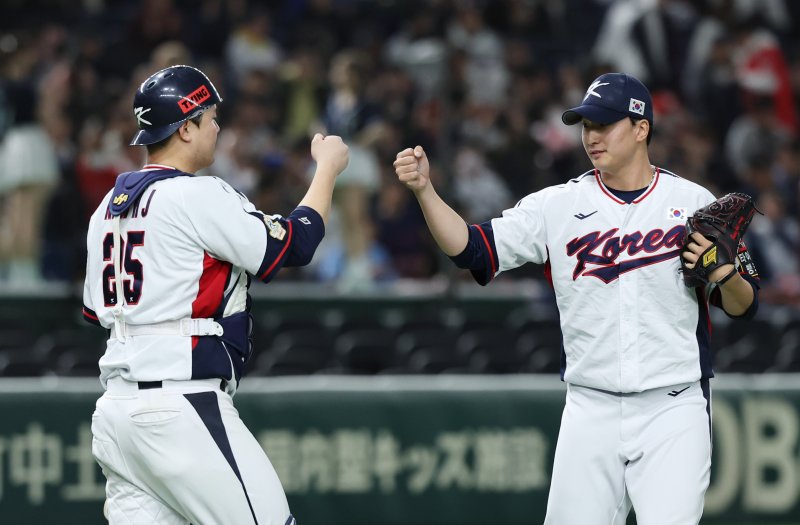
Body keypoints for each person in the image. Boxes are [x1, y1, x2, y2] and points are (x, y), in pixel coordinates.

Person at [394, 72, 759, 524]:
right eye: (586, 125)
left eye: (604, 124)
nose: (592, 136)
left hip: (674, 405)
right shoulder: (556, 206)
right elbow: (470, 249)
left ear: (641, 127)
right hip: (591, 408)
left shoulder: (694, 202)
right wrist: (425, 191)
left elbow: (746, 305)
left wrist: (723, 273)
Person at [83, 65, 348, 525]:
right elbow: (295, 245)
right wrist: (325, 170)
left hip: (116, 414)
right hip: (180, 404)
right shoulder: (194, 195)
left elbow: (96, 311)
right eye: (208, 119)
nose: (217, 127)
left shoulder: (106, 207)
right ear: (185, 129)